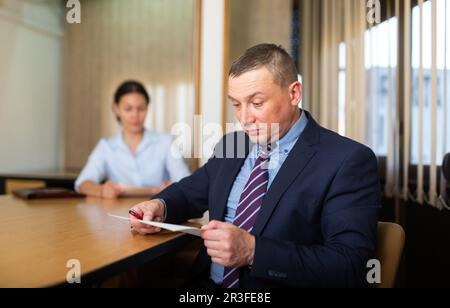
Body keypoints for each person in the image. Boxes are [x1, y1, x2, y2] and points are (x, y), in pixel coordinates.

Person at [128, 44, 380, 287]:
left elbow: (351, 266)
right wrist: (158, 206)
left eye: (257, 103)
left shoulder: (347, 160)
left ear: (294, 93)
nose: (244, 118)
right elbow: (189, 191)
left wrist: (253, 252)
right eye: (236, 104)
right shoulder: (233, 144)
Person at [75, 80, 190, 199]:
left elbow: (186, 181)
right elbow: (82, 182)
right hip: (116, 212)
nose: (135, 115)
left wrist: (173, 187)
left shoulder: (166, 142)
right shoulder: (106, 146)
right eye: (128, 109)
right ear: (116, 109)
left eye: (141, 108)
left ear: (147, 108)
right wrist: (101, 191)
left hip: (158, 209)